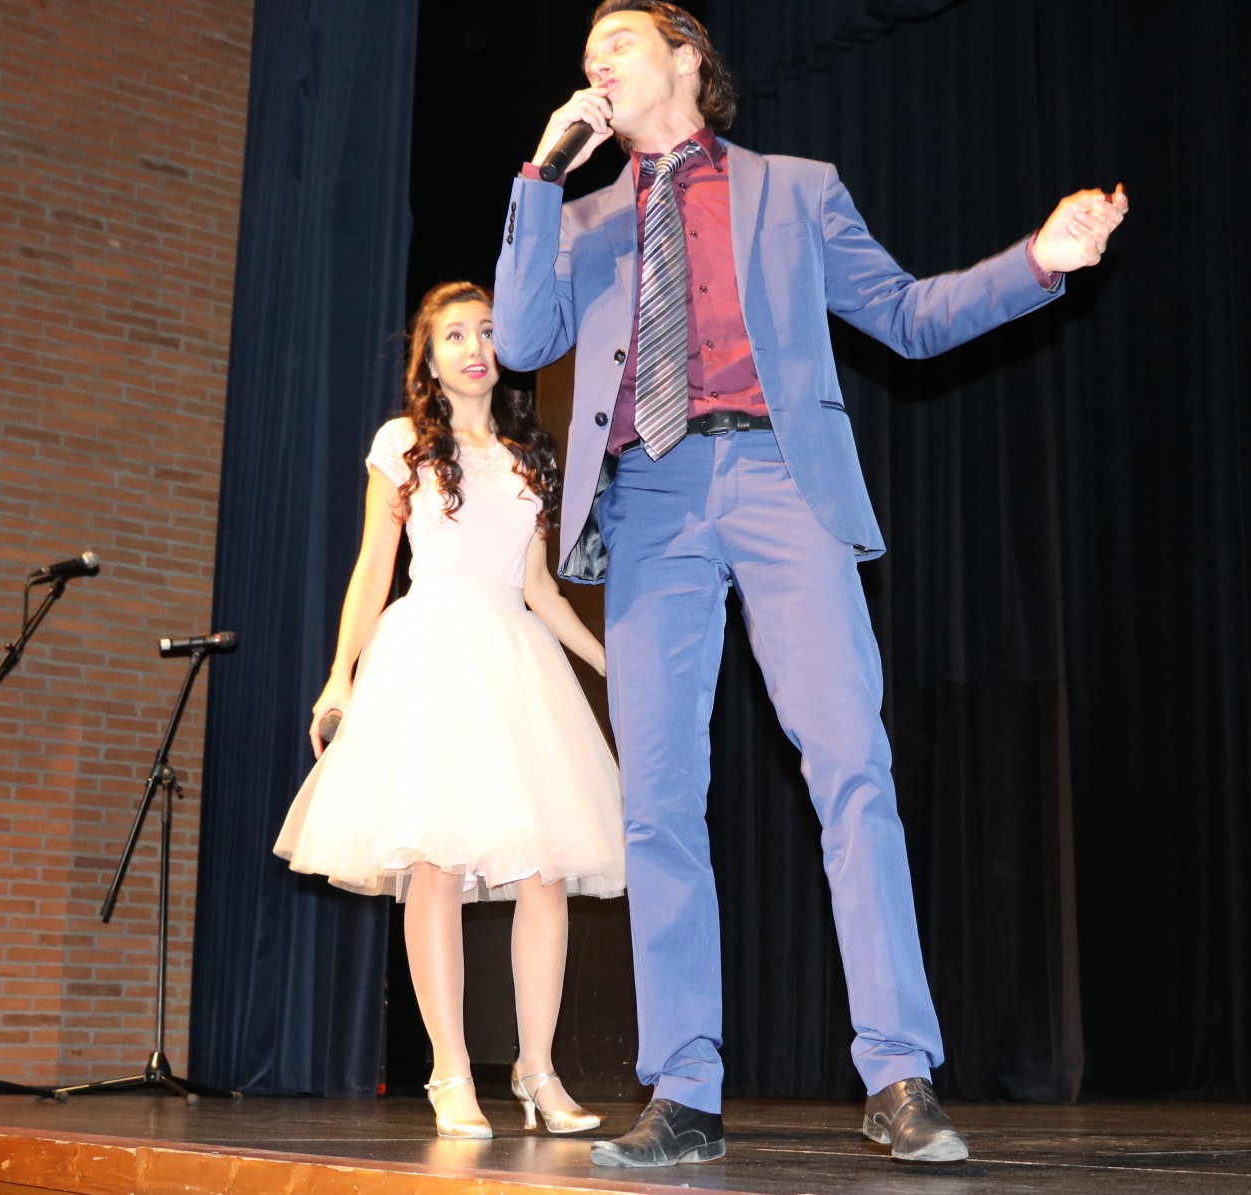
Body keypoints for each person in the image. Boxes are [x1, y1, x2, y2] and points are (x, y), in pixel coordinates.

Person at [492, 0, 1128, 1169]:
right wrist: (539, 176)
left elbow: (906, 317)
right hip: (648, 501)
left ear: (687, 59)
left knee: (849, 770)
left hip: (779, 478)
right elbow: (523, 343)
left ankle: (897, 1072)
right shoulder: (579, 219)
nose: (597, 61)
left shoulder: (795, 189)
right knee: (657, 805)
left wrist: (1040, 261)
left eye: (619, 43)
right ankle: (684, 1091)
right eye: (586, 54)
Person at [273, 281, 625, 1140]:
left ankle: (537, 1070)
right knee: (432, 862)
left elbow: (540, 587)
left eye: (488, 331)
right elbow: (373, 565)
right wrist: (340, 675)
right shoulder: (403, 444)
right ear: (429, 360)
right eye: (456, 334)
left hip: (515, 661)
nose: (475, 346)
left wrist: (609, 663)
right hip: (429, 653)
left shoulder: (525, 455)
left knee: (544, 874)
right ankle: (450, 1070)